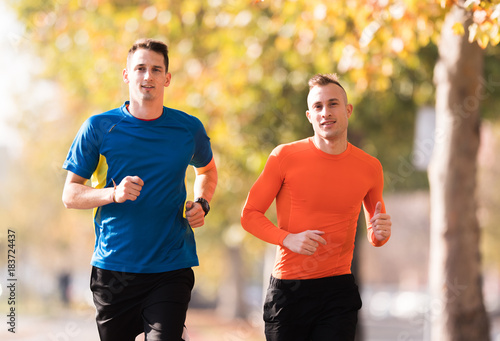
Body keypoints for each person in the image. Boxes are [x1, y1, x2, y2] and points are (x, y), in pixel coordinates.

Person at [62, 38, 217, 341]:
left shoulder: (188, 128)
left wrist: (202, 202)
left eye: (156, 70)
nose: (148, 77)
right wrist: (112, 194)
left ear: (166, 78)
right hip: (114, 269)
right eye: (141, 69)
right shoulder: (98, 127)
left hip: (171, 266)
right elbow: (70, 195)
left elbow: (207, 170)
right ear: (126, 75)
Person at [241, 73, 392, 341]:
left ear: (348, 110)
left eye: (333, 104)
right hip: (289, 291)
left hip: (338, 291)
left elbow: (375, 232)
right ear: (309, 116)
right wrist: (288, 239)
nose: (326, 113)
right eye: (318, 107)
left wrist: (381, 234)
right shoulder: (284, 157)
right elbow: (249, 215)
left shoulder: (370, 167)